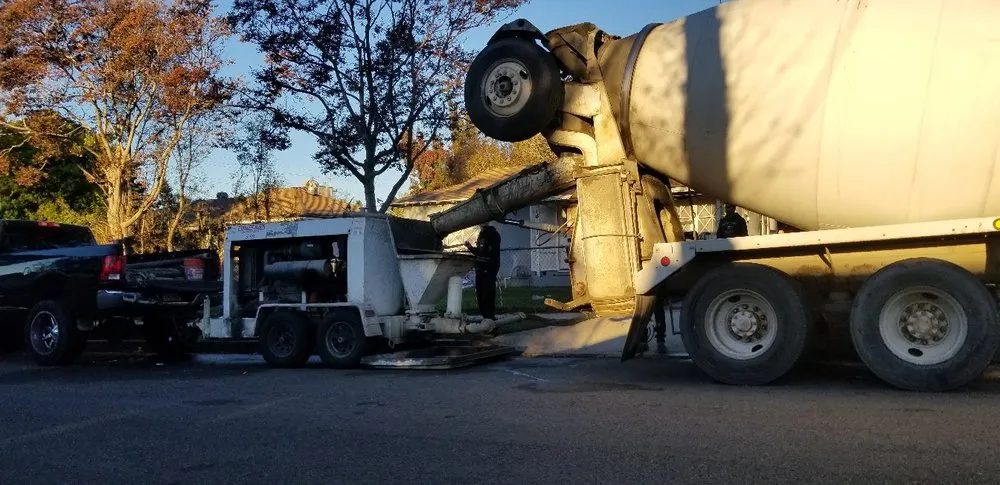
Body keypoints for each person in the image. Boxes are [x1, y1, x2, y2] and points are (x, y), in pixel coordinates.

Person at [465, 224, 502, 320]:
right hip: (480, 268)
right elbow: (480, 251)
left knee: (487, 293)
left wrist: (481, 256)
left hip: (489, 268)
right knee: (480, 293)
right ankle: (485, 316)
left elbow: (488, 253)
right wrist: (470, 248)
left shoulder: (493, 234)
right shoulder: (482, 234)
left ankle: (489, 316)